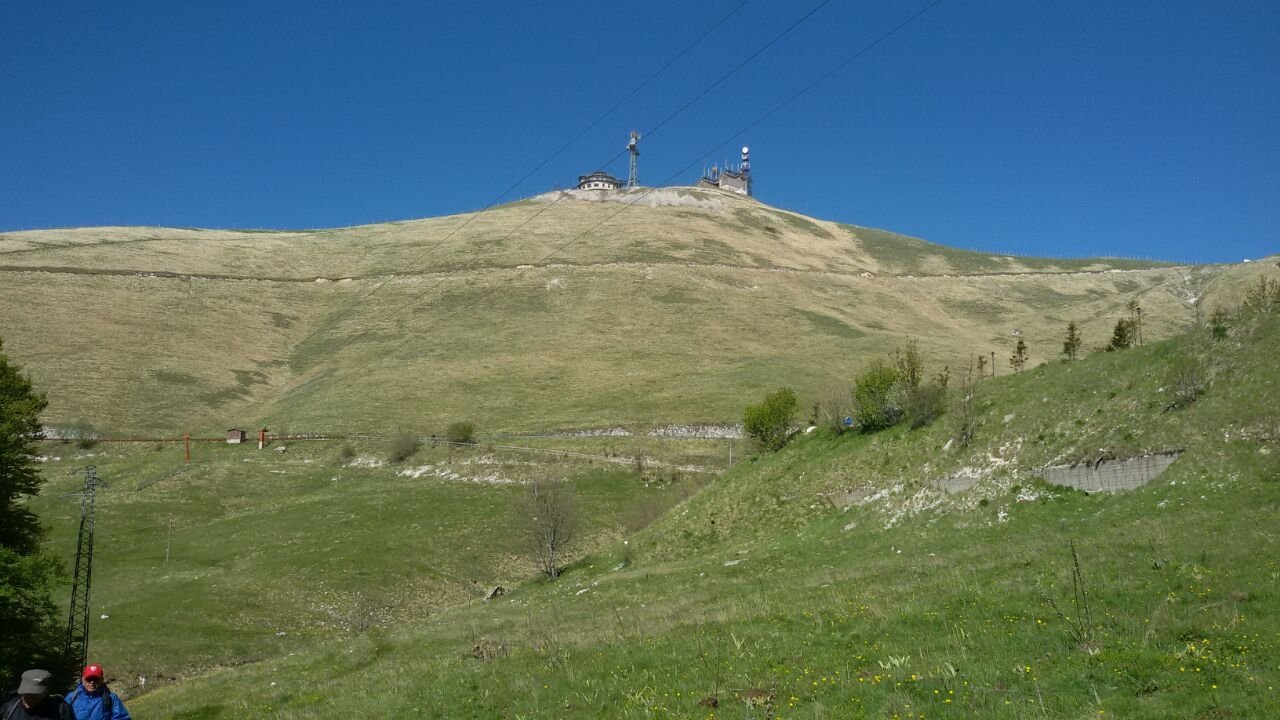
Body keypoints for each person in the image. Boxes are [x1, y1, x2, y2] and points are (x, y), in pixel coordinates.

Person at [0, 669, 75, 720]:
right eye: (25, 693)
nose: (28, 698)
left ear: (45, 692)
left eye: (34, 695)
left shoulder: (60, 710)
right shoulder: (10, 706)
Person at [65, 665, 130, 720]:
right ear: (83, 679)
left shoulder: (111, 698)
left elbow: (122, 718)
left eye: (95, 679)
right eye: (89, 679)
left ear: (102, 680)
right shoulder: (72, 697)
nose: (92, 682)